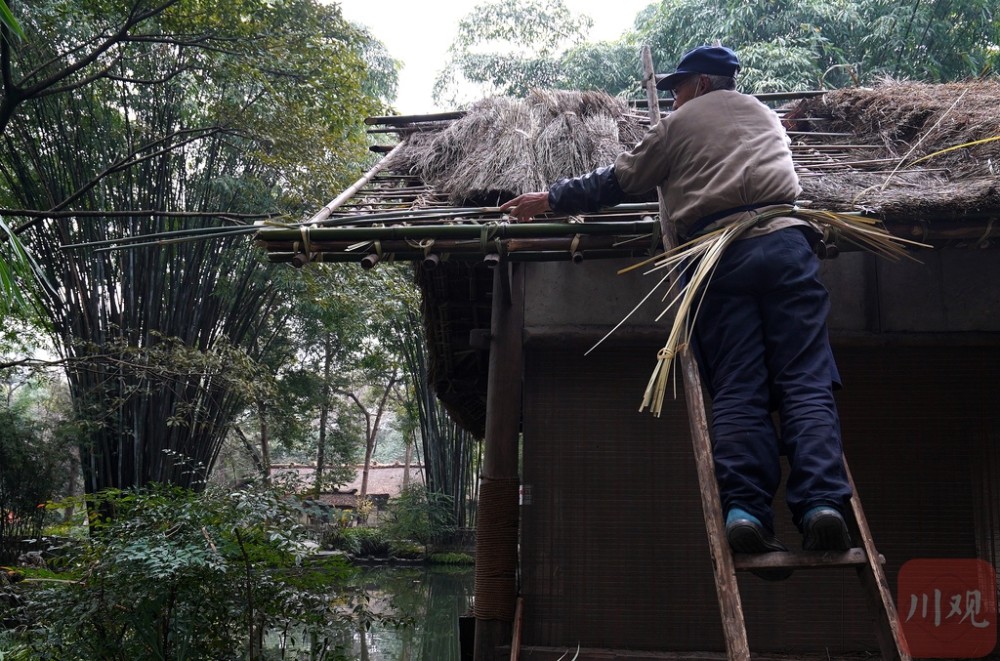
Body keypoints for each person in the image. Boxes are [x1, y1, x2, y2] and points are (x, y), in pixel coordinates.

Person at [500, 45, 854, 574]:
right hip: (787, 246)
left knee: (738, 386)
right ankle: (823, 504)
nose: (672, 96)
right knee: (805, 381)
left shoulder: (681, 125)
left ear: (705, 84)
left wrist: (550, 198)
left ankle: (745, 511)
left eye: (680, 87)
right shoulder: (765, 116)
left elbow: (617, 181)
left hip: (720, 254)